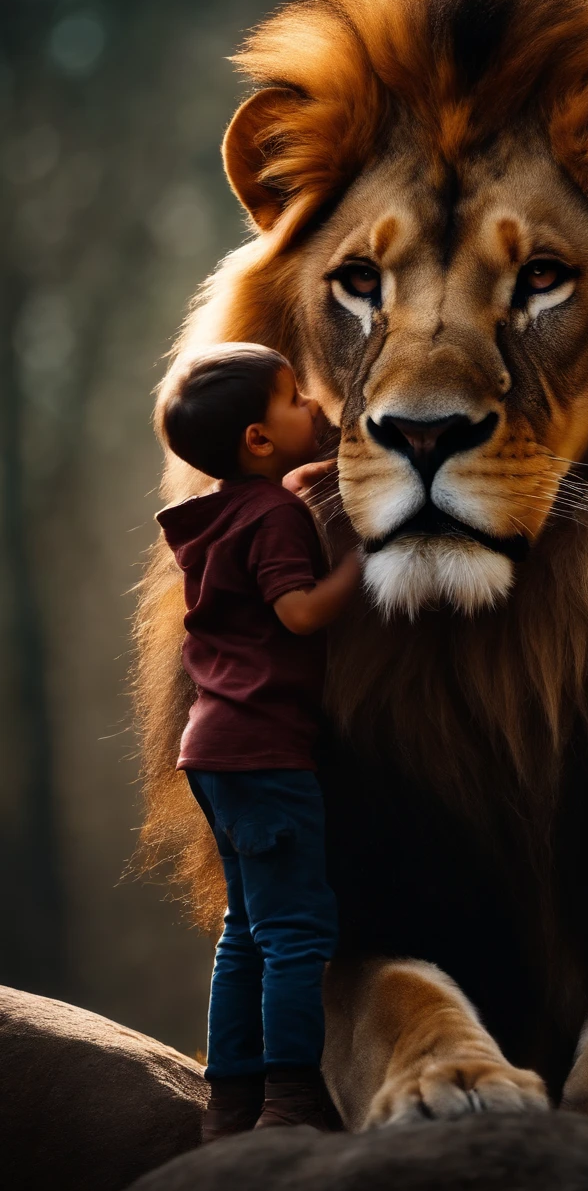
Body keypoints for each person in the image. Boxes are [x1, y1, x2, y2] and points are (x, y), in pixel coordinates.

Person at [155, 342, 361, 1141]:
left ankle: (229, 1103)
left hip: (211, 749)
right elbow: (299, 612)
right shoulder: (276, 515)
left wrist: (309, 486)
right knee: (297, 932)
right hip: (266, 752)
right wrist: (363, 561)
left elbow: (255, 558)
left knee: (244, 931)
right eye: (292, 399)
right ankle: (289, 1100)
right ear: (259, 441)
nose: (314, 406)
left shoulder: (218, 513)